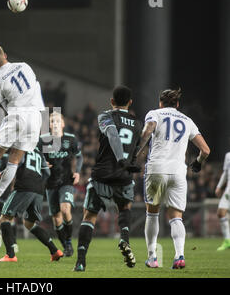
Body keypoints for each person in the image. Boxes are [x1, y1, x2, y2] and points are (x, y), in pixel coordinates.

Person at [138, 88, 210, 269]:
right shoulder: (187, 121)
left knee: (152, 212)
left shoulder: (154, 113)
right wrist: (198, 163)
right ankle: (179, 256)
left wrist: (134, 154)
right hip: (178, 172)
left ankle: (152, 257)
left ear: (160, 102)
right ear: (177, 104)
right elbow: (206, 150)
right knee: (176, 216)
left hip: (157, 169)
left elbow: (147, 132)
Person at [74, 86, 142, 272]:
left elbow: (112, 134)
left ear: (112, 101)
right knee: (125, 208)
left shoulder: (105, 116)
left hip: (103, 174)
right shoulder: (137, 123)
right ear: (130, 102)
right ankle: (124, 240)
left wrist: (120, 159)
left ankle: (80, 261)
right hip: (124, 176)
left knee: (89, 216)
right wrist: (130, 163)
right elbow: (138, 147)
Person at [0, 45, 45, 210]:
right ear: (5, 54)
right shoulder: (25, 65)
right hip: (36, 117)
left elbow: (3, 103)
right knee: (14, 160)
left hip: (18, 114)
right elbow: (34, 86)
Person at [0, 147, 63, 262]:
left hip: (24, 187)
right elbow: (47, 172)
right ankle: (55, 251)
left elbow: (15, 166)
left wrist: (0, 174)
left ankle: (10, 256)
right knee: (29, 223)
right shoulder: (39, 152)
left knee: (4, 218)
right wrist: (38, 183)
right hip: (38, 190)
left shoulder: (21, 148)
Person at [39, 111, 83, 257]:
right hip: (51, 183)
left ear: (63, 124)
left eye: (58, 121)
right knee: (56, 218)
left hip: (66, 181)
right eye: (52, 121)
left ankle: (69, 241)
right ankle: (66, 246)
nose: (55, 123)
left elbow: (79, 156)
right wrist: (42, 163)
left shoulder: (70, 139)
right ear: (49, 125)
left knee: (65, 210)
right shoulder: (44, 140)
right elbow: (36, 156)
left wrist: (77, 171)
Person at [215, 151, 230, 251]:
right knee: (221, 212)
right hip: (229, 189)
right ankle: (227, 241)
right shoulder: (228, 155)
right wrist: (219, 187)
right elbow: (225, 172)